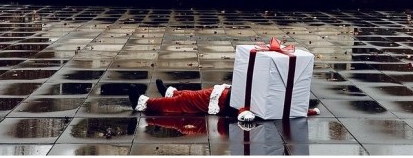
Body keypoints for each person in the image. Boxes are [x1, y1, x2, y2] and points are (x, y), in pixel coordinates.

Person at [129, 79, 320, 120]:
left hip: (221, 101)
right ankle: (172, 92)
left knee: (185, 102)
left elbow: (245, 112)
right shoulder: (276, 101)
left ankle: (144, 103)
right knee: (191, 95)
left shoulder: (270, 105)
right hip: (222, 94)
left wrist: (244, 113)